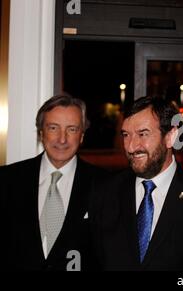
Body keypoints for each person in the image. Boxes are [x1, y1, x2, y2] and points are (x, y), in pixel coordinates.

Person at [90, 96, 183, 271]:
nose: (131, 146)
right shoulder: (105, 192)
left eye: (143, 134)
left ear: (170, 136)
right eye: (126, 135)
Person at [0, 94, 105, 270]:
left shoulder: (104, 184)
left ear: (82, 136)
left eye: (71, 129)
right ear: (41, 133)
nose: (62, 139)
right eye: (53, 128)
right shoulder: (6, 180)